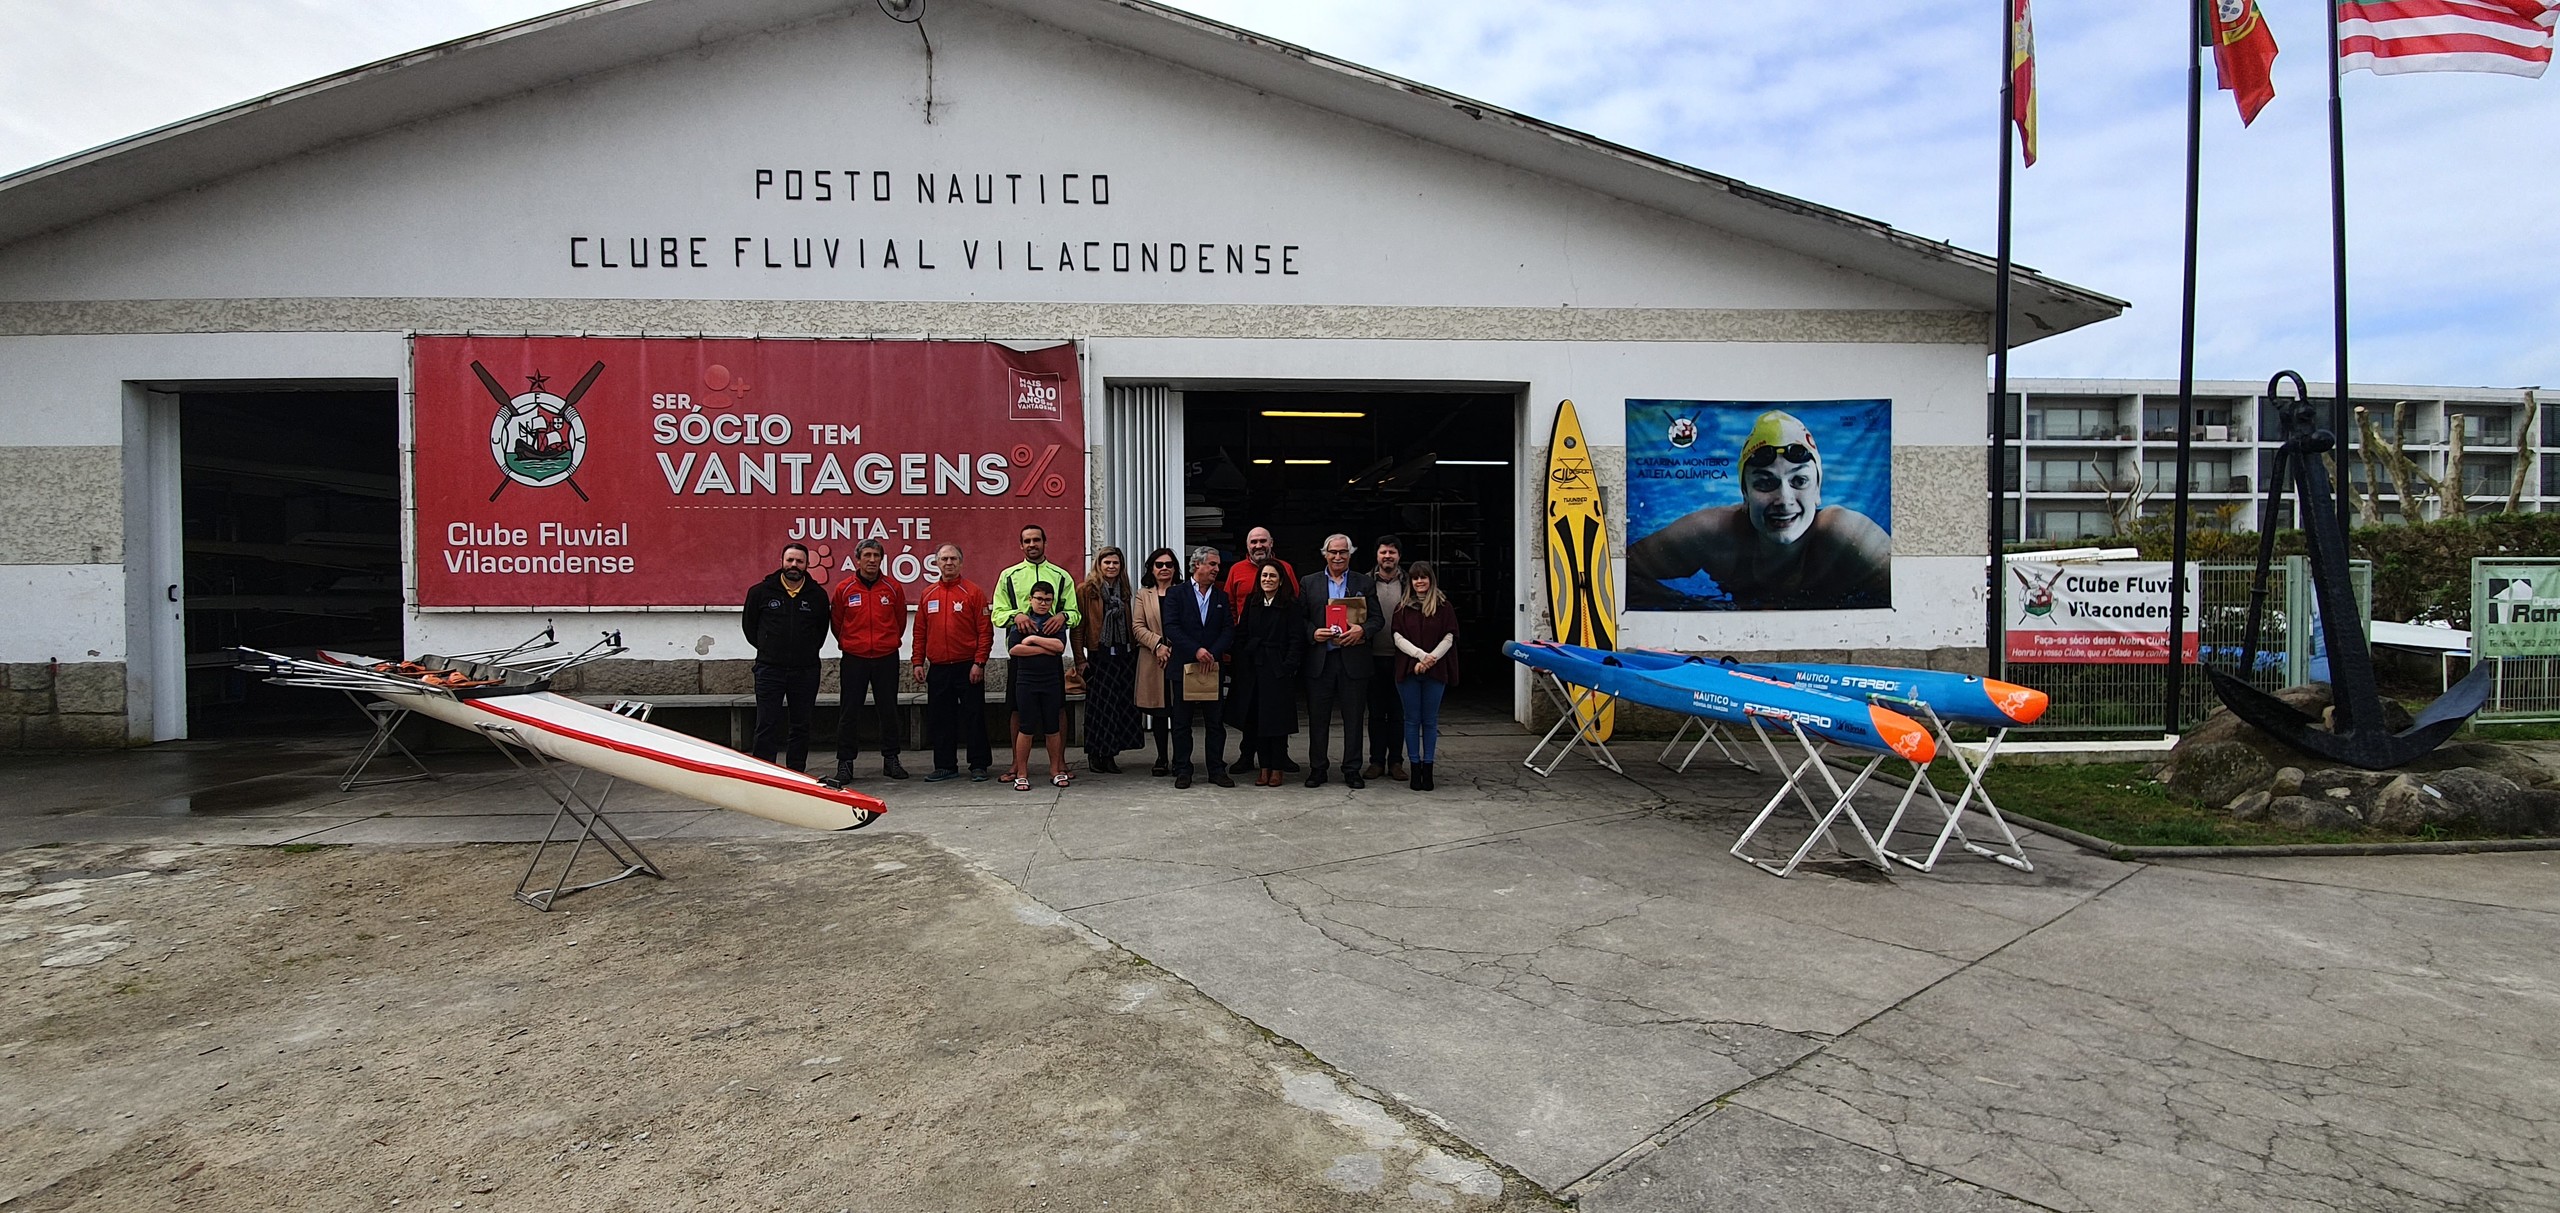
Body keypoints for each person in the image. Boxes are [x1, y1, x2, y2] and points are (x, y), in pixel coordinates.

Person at [1626, 410, 1892, 610]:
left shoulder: (1846, 535)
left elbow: (1905, 593)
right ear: (1745, 494)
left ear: (1818, 491)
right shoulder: (1713, 534)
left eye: (1799, 481)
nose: (1784, 499)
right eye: (1765, 483)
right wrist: (1697, 607)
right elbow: (1624, 572)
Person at [990, 523, 1080, 779]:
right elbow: (997, 613)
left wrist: (1063, 616)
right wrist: (1016, 615)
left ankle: (1059, 763)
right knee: (1016, 709)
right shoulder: (1009, 576)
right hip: (1021, 657)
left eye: (1036, 540)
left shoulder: (1061, 576)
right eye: (1027, 541)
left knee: (1058, 709)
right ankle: (1016, 765)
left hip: (1051, 658)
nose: (1032, 544)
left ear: (1044, 543)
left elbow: (1075, 613)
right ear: (1021, 545)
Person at [1299, 533, 1382, 789]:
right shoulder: (1309, 582)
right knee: (1318, 719)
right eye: (1333, 552)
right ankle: (1318, 768)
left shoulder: (1363, 582)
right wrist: (1313, 632)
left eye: (1343, 552)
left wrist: (1362, 631)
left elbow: (1377, 619)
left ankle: (1352, 769)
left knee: (1354, 718)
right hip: (1321, 660)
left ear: (1350, 554)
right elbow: (1298, 619)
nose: (1338, 557)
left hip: (1353, 661)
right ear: (1325, 554)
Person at [741, 541, 833, 772]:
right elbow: (750, 628)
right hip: (769, 669)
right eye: (790, 560)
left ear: (807, 565)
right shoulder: (760, 592)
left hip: (805, 670)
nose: (794, 565)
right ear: (781, 562)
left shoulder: (818, 596)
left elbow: (821, 631)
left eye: (799, 561)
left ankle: (796, 772)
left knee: (801, 725)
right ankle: (764, 773)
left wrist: (805, 651)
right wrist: (769, 648)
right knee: (766, 723)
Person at [826, 537, 908, 787]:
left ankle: (891, 759)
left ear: (882, 559)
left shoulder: (893, 588)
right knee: (849, 711)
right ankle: (845, 762)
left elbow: (900, 621)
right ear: (858, 560)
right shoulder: (844, 589)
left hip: (886, 657)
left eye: (876, 556)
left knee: (888, 709)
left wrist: (885, 642)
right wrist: (852, 643)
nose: (872, 560)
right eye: (867, 556)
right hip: (855, 658)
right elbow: (837, 623)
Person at [910, 542, 993, 782]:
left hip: (968, 667)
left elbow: (985, 631)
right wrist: (917, 662)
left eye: (953, 559)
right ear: (936, 563)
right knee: (940, 718)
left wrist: (980, 662)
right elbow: (920, 631)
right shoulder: (928, 594)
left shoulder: (973, 592)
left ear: (961, 563)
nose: (949, 563)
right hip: (938, 668)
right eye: (944, 559)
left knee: (974, 716)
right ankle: (945, 765)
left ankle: (979, 765)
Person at [1223, 526, 1297, 776]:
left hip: (1276, 656)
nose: (1258, 546)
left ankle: (1279, 758)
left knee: (1276, 711)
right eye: (1253, 542)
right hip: (1250, 654)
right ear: (1247, 546)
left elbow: (1294, 605)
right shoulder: (1236, 570)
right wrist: (1240, 648)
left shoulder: (1286, 568)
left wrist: (1288, 662)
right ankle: (1247, 756)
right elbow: (1229, 606)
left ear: (1271, 542)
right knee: (1250, 709)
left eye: (1263, 541)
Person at [1159, 546, 1235, 789]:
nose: (1216, 569)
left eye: (1218, 565)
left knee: (1215, 723)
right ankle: (1183, 769)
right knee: (1182, 722)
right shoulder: (1176, 593)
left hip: (1212, 667)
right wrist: (1196, 650)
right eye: (1212, 564)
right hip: (1184, 666)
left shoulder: (1221, 597)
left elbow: (1228, 630)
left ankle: (1216, 769)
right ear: (1197, 565)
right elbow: (1171, 627)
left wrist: (1212, 652)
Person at [1233, 562, 1303, 787]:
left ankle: (1277, 769)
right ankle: (1264, 768)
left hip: (1278, 670)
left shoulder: (1290, 605)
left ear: (1281, 581)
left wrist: (1288, 666)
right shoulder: (1252, 602)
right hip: (1255, 669)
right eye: (1264, 575)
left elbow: (1296, 638)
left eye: (1272, 576)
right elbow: (1242, 634)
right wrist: (1244, 659)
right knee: (1258, 721)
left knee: (1277, 722)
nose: (1267, 579)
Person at [1392, 560, 1460, 792]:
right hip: (1408, 671)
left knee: (1430, 721)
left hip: (1436, 672)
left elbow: (1449, 637)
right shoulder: (1402, 608)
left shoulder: (1444, 607)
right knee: (1412, 720)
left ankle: (1428, 769)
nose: (1419, 581)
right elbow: (1397, 637)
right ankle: (1415, 769)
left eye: (1423, 577)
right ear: (1410, 581)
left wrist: (1431, 660)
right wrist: (1421, 657)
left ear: (1431, 579)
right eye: (1415, 578)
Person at [1075, 547, 1142, 775]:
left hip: (1123, 655)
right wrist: (1080, 659)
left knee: (1117, 707)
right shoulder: (1086, 590)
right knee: (1099, 708)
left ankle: (1111, 754)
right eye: (1107, 563)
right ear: (1099, 565)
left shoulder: (1124, 590)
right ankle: (1095, 754)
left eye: (1116, 563)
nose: (1111, 567)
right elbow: (1078, 628)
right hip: (1099, 655)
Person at [1005, 581, 1072, 791]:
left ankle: (1055, 771)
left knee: (1052, 727)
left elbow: (1059, 646)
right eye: (1039, 599)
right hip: (1026, 682)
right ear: (1030, 599)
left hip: (1051, 681)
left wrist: (1033, 639)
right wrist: (1046, 649)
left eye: (1048, 600)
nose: (1043, 603)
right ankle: (1022, 773)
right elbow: (1015, 650)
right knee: (1026, 727)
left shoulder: (1055, 623)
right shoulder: (1022, 622)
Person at [1129, 546, 1183, 777]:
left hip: (1179, 657)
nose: (1164, 569)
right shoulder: (1144, 594)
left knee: (1180, 711)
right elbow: (1137, 626)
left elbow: (1190, 624)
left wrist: (1174, 646)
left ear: (1175, 568)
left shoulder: (1183, 591)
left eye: (1169, 565)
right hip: (1153, 659)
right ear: (1151, 568)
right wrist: (1158, 645)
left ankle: (1181, 759)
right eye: (1159, 565)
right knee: (1160, 712)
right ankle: (1162, 758)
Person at [1362, 534, 1410, 783]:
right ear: (1377, 555)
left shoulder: (1410, 582)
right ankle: (1376, 762)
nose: (1387, 556)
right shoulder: (1364, 582)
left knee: (1398, 713)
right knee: (1376, 713)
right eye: (1383, 552)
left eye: (1392, 552)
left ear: (1399, 556)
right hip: (1372, 656)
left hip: (1403, 657)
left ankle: (1396, 762)